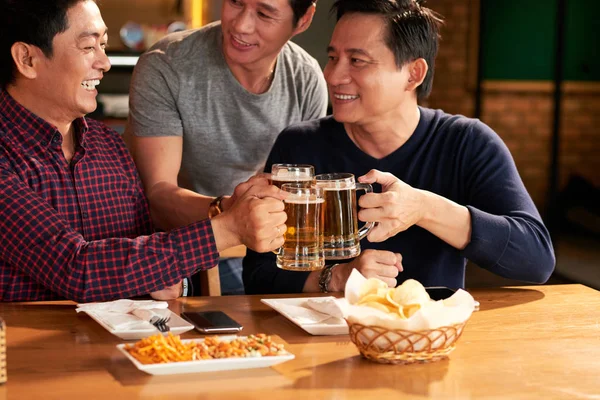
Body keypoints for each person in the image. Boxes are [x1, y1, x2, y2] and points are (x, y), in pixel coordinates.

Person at [243, 0, 556, 294]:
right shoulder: (300, 145)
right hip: (319, 342)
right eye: (333, 57)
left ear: (413, 74)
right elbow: (257, 274)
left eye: (356, 61)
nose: (333, 75)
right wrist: (335, 277)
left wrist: (423, 208)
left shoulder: (467, 142)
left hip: (432, 340)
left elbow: (536, 260)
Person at [0, 0, 287, 302]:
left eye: (104, 45)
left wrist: (178, 284)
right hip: (29, 348)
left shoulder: (109, 147)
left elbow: (152, 253)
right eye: (88, 47)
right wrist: (228, 229)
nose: (104, 63)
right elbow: (76, 268)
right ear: (27, 59)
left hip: (131, 345)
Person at [124, 0, 328, 295]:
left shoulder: (306, 78)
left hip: (257, 249)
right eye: (235, 2)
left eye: (264, 13)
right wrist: (230, 213)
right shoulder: (166, 65)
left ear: (304, 19)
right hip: (169, 254)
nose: (241, 25)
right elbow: (156, 199)